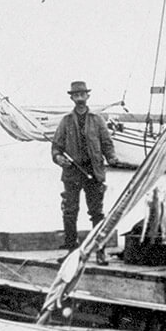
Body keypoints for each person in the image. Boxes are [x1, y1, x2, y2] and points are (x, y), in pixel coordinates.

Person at [50, 81, 119, 258]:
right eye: (76, 95)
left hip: (94, 173)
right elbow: (56, 147)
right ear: (72, 98)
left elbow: (107, 143)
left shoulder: (97, 120)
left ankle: (100, 251)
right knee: (70, 212)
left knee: (97, 213)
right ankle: (71, 251)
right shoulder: (66, 121)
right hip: (72, 173)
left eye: (82, 94)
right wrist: (59, 158)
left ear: (87, 96)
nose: (79, 98)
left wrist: (111, 157)